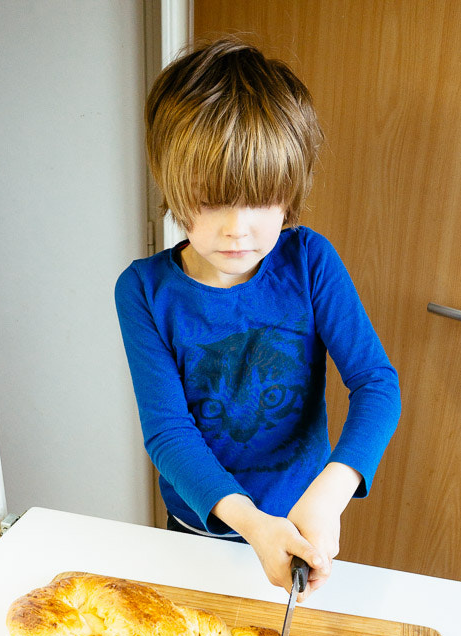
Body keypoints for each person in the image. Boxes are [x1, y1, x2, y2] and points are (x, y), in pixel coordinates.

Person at [115, 38, 401, 601]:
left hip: (301, 520)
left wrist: (331, 493)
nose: (236, 229)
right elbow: (169, 433)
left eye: (261, 201)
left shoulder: (310, 261)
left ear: (288, 195)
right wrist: (248, 523)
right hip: (204, 522)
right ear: (172, 185)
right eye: (211, 199)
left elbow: (376, 384)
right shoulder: (143, 291)